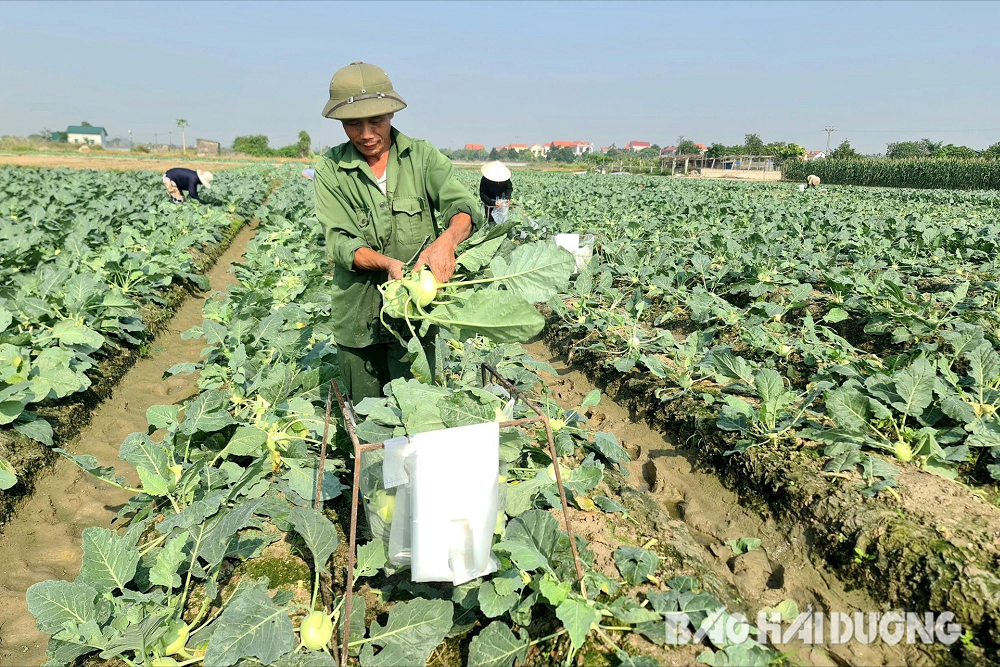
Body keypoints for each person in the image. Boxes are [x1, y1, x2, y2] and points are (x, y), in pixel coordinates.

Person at [314, 62, 484, 401]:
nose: (365, 133)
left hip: (415, 319)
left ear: (391, 114)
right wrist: (390, 265)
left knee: (416, 414)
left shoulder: (421, 157)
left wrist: (446, 242)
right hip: (358, 317)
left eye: (375, 120)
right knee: (366, 418)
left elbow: (464, 209)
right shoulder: (330, 169)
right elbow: (341, 243)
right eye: (352, 123)